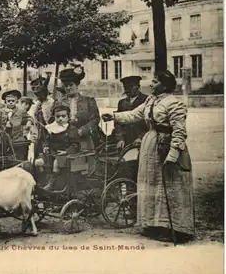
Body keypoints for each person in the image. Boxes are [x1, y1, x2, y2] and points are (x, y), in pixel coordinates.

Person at [102, 70, 195, 244]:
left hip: (166, 146)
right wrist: (114, 116)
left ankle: (175, 228)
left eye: (155, 81)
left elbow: (180, 132)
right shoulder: (151, 101)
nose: (151, 84)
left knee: (169, 185)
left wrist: (173, 155)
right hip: (150, 145)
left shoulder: (174, 104)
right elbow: (134, 115)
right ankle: (154, 224)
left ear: (164, 85)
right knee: (152, 184)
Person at [56, 64, 101, 152]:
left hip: (85, 141)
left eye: (71, 85)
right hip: (65, 142)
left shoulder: (88, 101)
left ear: (76, 85)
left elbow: (95, 119)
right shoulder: (59, 102)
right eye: (66, 86)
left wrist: (83, 130)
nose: (68, 88)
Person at [42, 105, 81, 190]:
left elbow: (75, 145)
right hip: (52, 152)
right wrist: (46, 147)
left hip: (66, 154)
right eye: (58, 116)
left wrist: (67, 151)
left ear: (68, 117)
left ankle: (51, 184)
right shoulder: (52, 128)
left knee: (56, 162)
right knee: (39, 162)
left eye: (63, 116)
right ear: (54, 117)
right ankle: (41, 181)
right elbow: (46, 140)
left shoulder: (72, 129)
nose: (60, 119)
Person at [115, 76, 148, 150]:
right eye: (125, 87)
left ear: (138, 87)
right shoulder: (121, 103)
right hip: (125, 142)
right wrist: (120, 139)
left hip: (142, 141)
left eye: (130, 87)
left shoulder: (146, 100)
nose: (127, 90)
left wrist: (141, 137)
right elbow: (118, 123)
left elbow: (150, 123)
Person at [28, 74, 57, 159]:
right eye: (36, 94)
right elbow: (32, 120)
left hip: (50, 134)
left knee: (49, 155)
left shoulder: (52, 104)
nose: (38, 96)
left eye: (40, 94)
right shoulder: (36, 106)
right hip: (39, 135)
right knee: (38, 156)